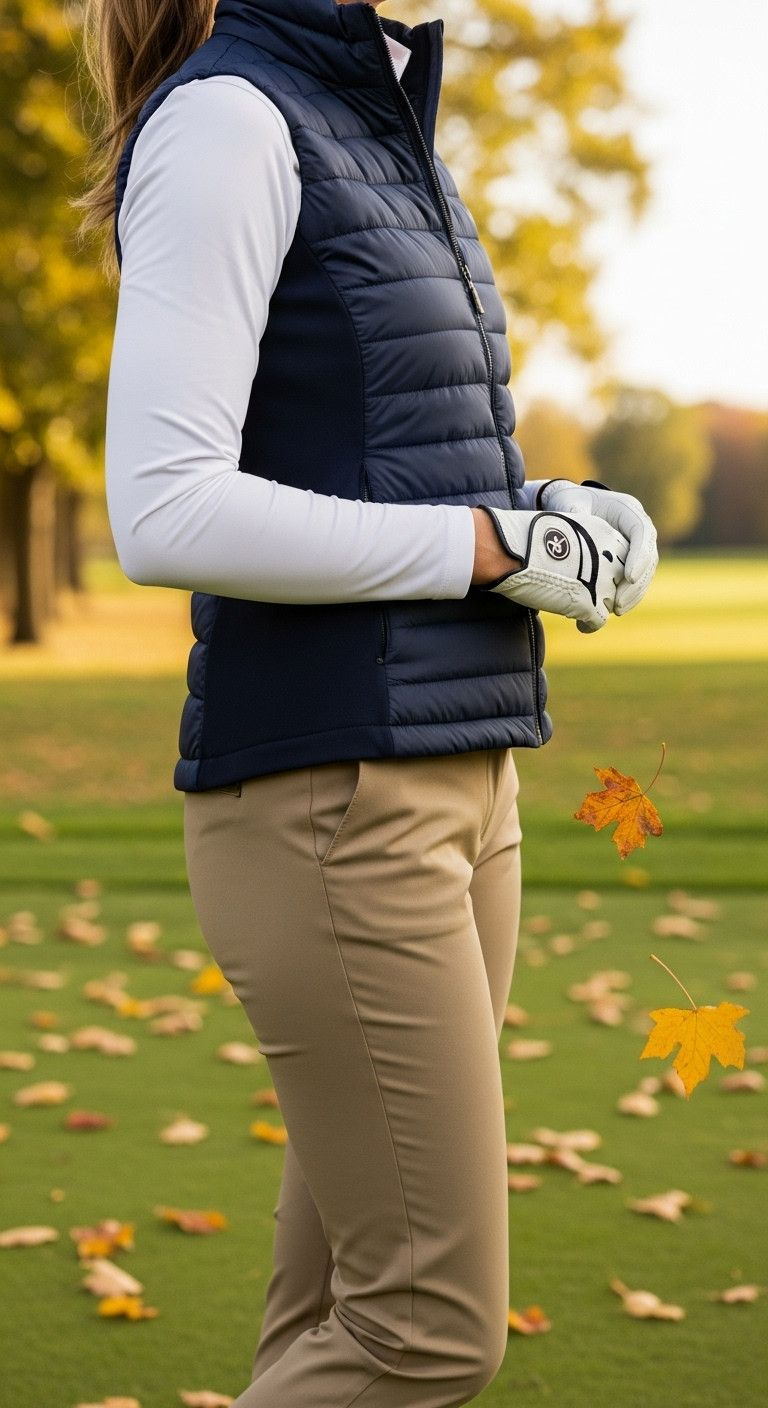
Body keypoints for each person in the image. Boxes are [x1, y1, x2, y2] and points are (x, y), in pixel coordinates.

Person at [78, 0, 658, 1403]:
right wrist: (488, 543)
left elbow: (378, 460)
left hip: (466, 775)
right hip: (338, 801)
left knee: (336, 1309)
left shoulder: (382, 118)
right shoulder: (229, 121)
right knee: (426, 1336)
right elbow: (163, 513)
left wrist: (542, 512)